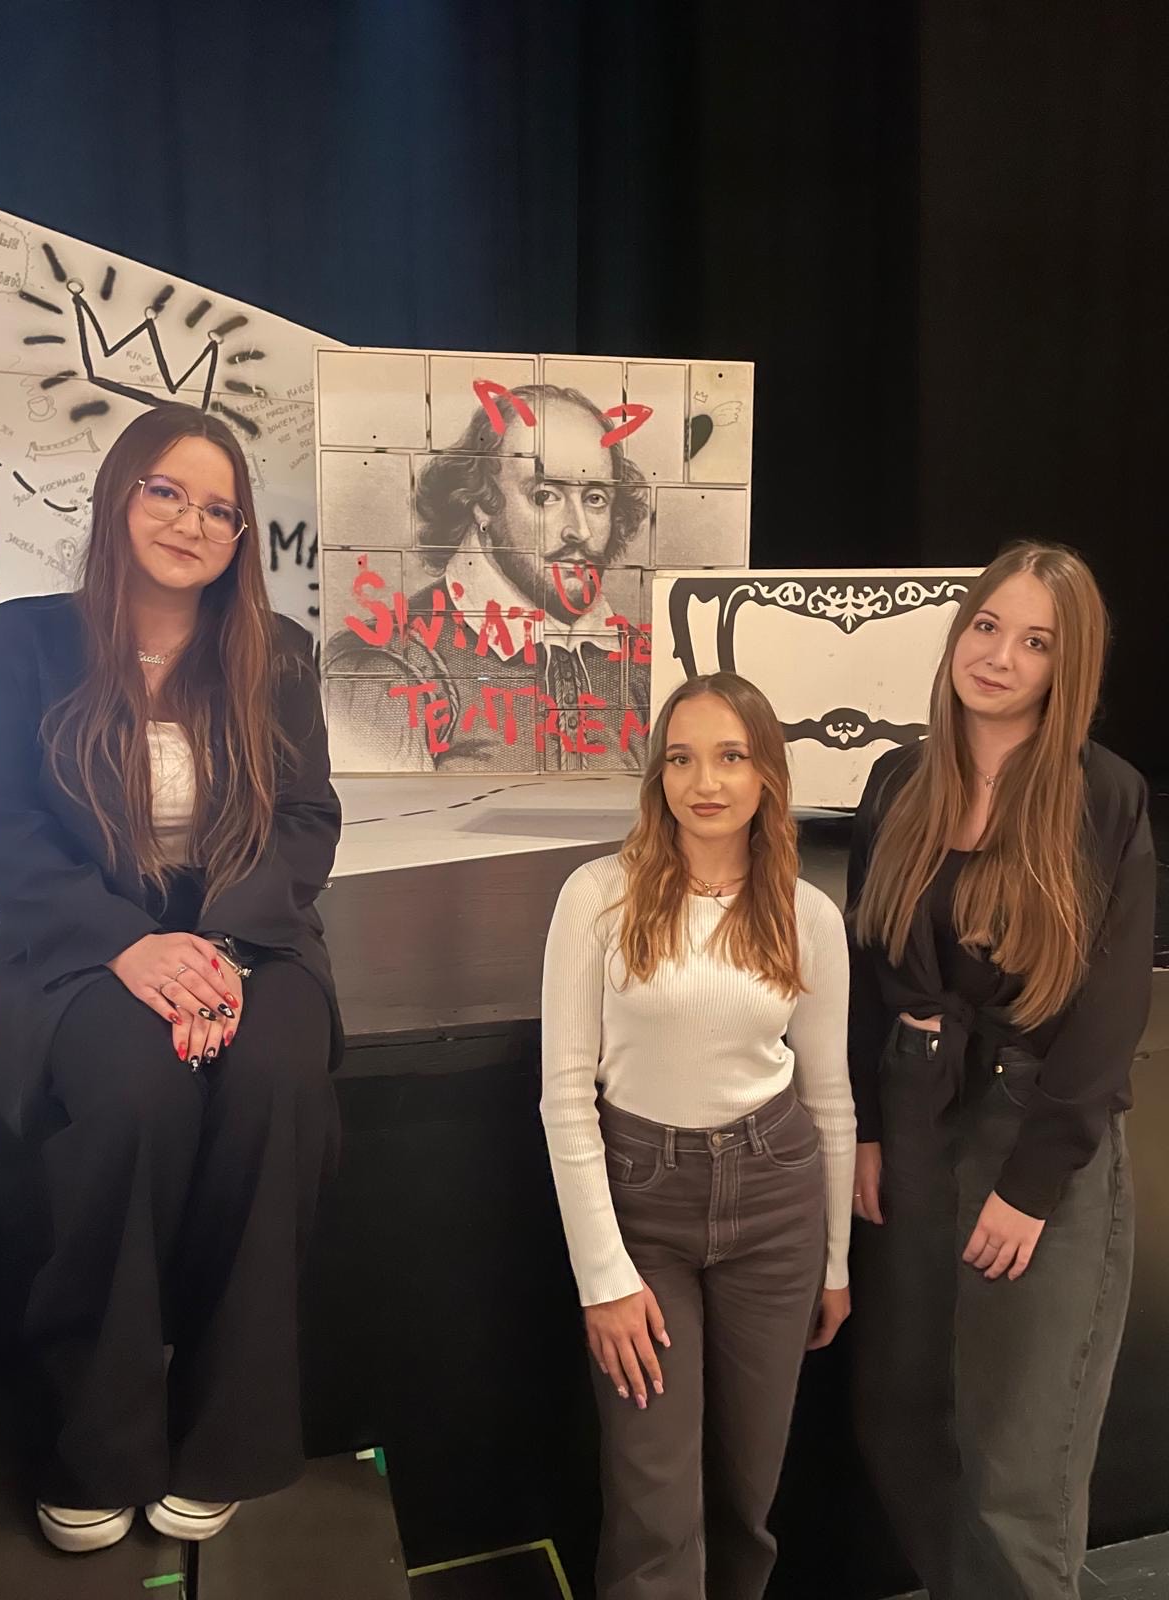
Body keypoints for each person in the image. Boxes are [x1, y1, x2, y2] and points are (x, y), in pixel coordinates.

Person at [0, 403, 343, 1553]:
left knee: (276, 1081)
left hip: (246, 931)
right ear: (120, 497)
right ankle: (98, 1444)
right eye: (167, 492)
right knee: (130, 1094)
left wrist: (219, 945)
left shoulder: (278, 654)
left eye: (221, 509)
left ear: (242, 537)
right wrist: (127, 945)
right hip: (80, 939)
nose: (193, 522)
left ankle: (228, 1436)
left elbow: (304, 820)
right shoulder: (20, 641)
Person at [846, 542, 1155, 1600]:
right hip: (913, 1121)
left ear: (1070, 666)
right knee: (904, 1420)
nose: (1000, 656)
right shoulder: (900, 780)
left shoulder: (1104, 795)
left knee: (1016, 1471)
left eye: (1036, 642)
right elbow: (868, 969)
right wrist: (869, 1130)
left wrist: (1030, 1188)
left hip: (1036, 1144)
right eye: (987, 626)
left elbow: (1110, 1016)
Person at [540, 671, 855, 1600]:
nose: (704, 782)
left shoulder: (807, 913)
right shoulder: (596, 896)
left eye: (730, 757)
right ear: (659, 776)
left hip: (776, 1203)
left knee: (747, 1495)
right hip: (644, 1209)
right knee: (655, 1504)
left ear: (767, 776)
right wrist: (603, 1279)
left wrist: (836, 1262)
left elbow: (830, 1099)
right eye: (681, 759)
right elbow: (566, 1098)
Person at [324, 384, 651, 772]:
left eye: (595, 498)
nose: (579, 530)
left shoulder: (644, 662)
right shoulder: (384, 668)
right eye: (545, 496)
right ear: (481, 503)